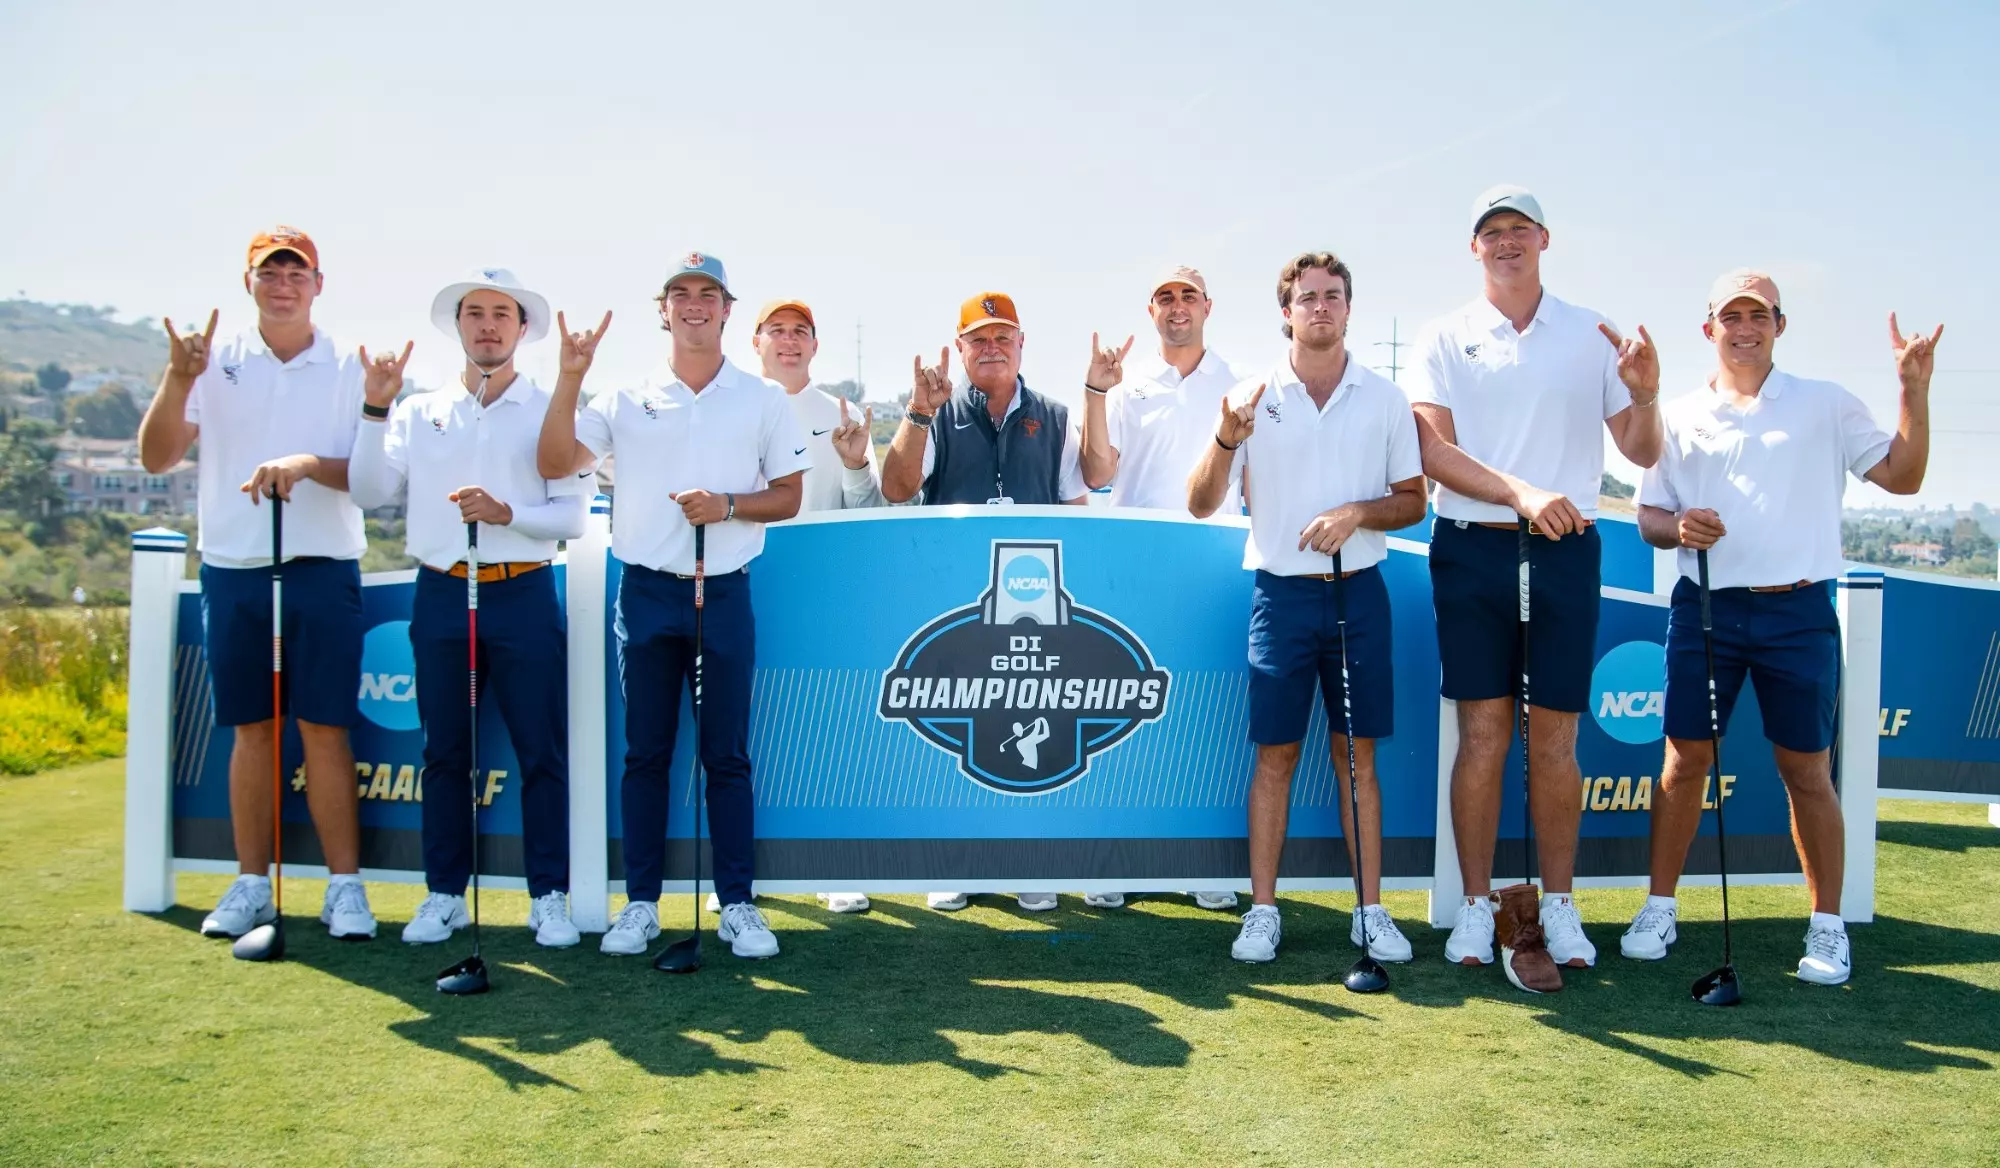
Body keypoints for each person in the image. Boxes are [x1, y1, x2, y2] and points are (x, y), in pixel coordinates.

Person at [1624, 269, 1941, 987]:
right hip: (1707, 606)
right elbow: (1649, 517)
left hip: (1798, 610)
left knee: (1806, 770)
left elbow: (1904, 477)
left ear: (1779, 325)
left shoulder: (1824, 404)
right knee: (1684, 762)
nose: (1744, 327)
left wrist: (1913, 391)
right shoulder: (1677, 415)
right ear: (1709, 329)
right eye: (1730, 316)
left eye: (1758, 315)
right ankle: (1660, 906)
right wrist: (1678, 527)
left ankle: (1827, 927)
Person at [1405, 186, 1664, 993]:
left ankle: (1557, 904)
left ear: (1544, 239)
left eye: (1519, 229)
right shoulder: (1443, 334)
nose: (1506, 242)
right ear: (1474, 249)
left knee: (1555, 740)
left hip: (1564, 550)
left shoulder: (1592, 335)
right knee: (1483, 735)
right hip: (1472, 549)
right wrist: (1518, 491)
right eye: (1491, 233)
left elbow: (1641, 447)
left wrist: (1646, 392)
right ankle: (1478, 905)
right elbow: (1432, 452)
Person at [537, 252, 807, 960]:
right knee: (645, 754)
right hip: (648, 590)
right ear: (664, 309)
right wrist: (569, 377)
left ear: (726, 309)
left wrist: (727, 506)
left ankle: (738, 905)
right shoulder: (625, 396)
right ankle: (642, 905)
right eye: (680, 294)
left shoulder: (762, 399)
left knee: (727, 756)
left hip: (723, 590)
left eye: (708, 294)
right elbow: (554, 460)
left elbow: (788, 496)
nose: (694, 305)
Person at [139, 226, 385, 944]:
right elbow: (157, 458)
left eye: (296, 273)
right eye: (269, 273)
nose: (283, 286)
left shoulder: (349, 365)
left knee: (326, 728)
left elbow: (370, 480)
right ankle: (252, 883)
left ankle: (345, 889)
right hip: (235, 566)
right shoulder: (211, 363)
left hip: (322, 562)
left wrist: (308, 462)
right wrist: (179, 377)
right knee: (252, 729)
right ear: (248, 283)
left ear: (318, 283)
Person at [1187, 252, 1427, 962]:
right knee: (1276, 755)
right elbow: (1202, 504)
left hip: (1360, 595)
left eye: (1333, 296)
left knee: (1358, 758)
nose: (1320, 307)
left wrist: (1357, 511)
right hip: (1282, 595)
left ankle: (1370, 909)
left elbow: (1413, 501)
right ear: (1286, 312)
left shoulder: (1384, 397)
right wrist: (1229, 434)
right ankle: (1263, 910)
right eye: (1307, 298)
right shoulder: (1251, 395)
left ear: (1348, 308)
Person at [349, 268, 591, 949]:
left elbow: (571, 515)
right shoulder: (418, 409)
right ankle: (445, 894)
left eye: (501, 315)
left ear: (521, 330)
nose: (487, 325)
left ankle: (547, 895)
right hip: (442, 591)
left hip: (522, 589)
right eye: (474, 314)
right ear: (458, 327)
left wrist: (508, 512)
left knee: (539, 751)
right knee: (444, 751)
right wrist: (374, 407)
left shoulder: (552, 408)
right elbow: (367, 490)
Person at [879, 291, 1087, 913]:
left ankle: (1031, 861)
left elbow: (1078, 507)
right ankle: (955, 863)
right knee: (958, 735)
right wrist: (918, 413)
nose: (991, 348)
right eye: (979, 339)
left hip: (1036, 602)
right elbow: (896, 489)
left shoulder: (1052, 414)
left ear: (1022, 345)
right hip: (956, 606)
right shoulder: (937, 413)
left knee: (1033, 730)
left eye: (1003, 337)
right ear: (960, 348)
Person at [1078, 264, 1244, 912]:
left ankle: (1201, 862)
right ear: (1152, 312)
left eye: (1188, 296)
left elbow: (1253, 486)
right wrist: (1096, 390)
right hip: (1133, 571)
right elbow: (1096, 471)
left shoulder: (1241, 384)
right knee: (1122, 712)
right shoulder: (1127, 385)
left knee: (1204, 719)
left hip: (1212, 569)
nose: (1178, 307)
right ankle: (1113, 861)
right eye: (1165, 298)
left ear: (1208, 305)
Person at [751, 296, 884, 915]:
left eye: (799, 332)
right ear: (755, 341)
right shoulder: (731, 402)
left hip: (823, 595)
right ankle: (744, 868)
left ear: (814, 345)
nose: (788, 341)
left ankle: (836, 868)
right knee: (747, 729)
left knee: (831, 732)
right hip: (744, 582)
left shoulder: (841, 410)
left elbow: (868, 507)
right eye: (776, 331)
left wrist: (856, 461)